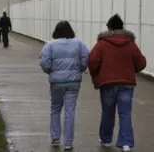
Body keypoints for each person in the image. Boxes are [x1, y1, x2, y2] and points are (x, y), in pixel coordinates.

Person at [88, 14, 146, 152]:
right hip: (126, 84)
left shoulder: (102, 43)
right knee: (125, 113)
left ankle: (106, 139)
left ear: (109, 27)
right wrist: (132, 70)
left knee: (107, 111)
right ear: (122, 27)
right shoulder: (131, 43)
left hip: (107, 84)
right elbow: (141, 62)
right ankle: (126, 143)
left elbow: (92, 61)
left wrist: (96, 75)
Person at [39, 21, 89, 151]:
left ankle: (55, 138)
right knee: (70, 111)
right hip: (73, 82)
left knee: (55, 108)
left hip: (56, 82)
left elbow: (44, 63)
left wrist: (50, 72)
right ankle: (68, 143)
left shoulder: (49, 45)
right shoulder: (79, 44)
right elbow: (85, 59)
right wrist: (80, 70)